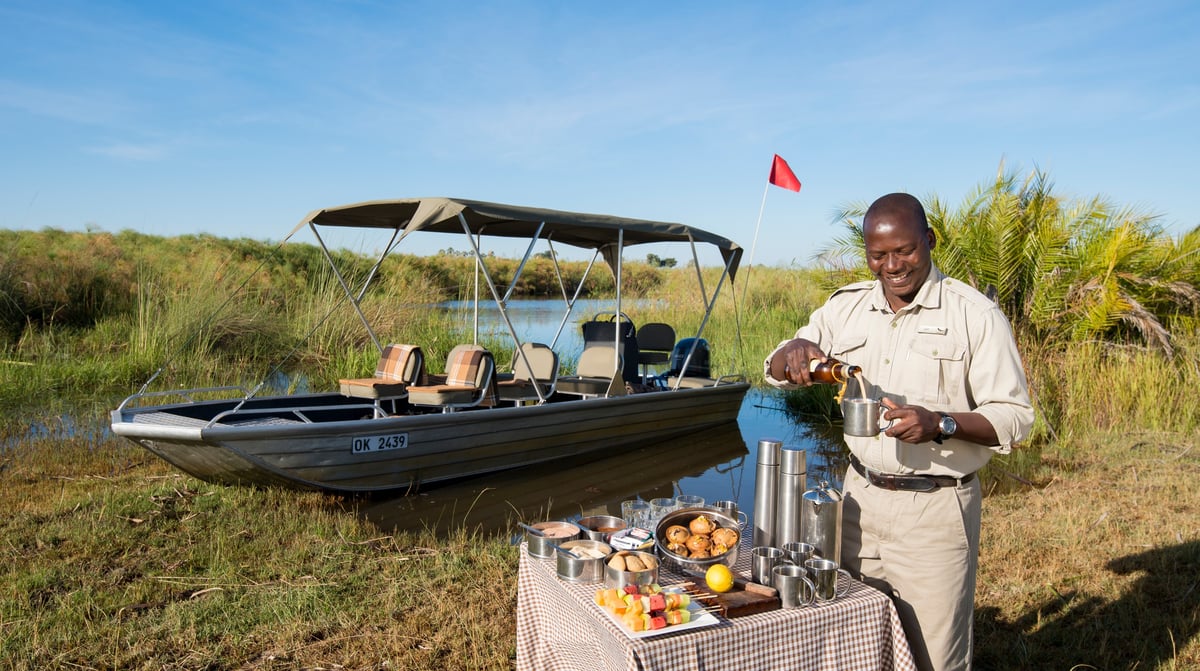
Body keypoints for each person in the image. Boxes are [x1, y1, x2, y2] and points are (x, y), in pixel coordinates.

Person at [764, 193, 1034, 671]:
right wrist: (795, 350)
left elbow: (1015, 419)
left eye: (905, 250)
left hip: (935, 511)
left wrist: (941, 424)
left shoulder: (974, 315)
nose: (892, 265)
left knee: (933, 654)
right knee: (853, 642)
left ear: (929, 241)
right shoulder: (845, 308)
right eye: (878, 254)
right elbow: (776, 366)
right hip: (857, 502)